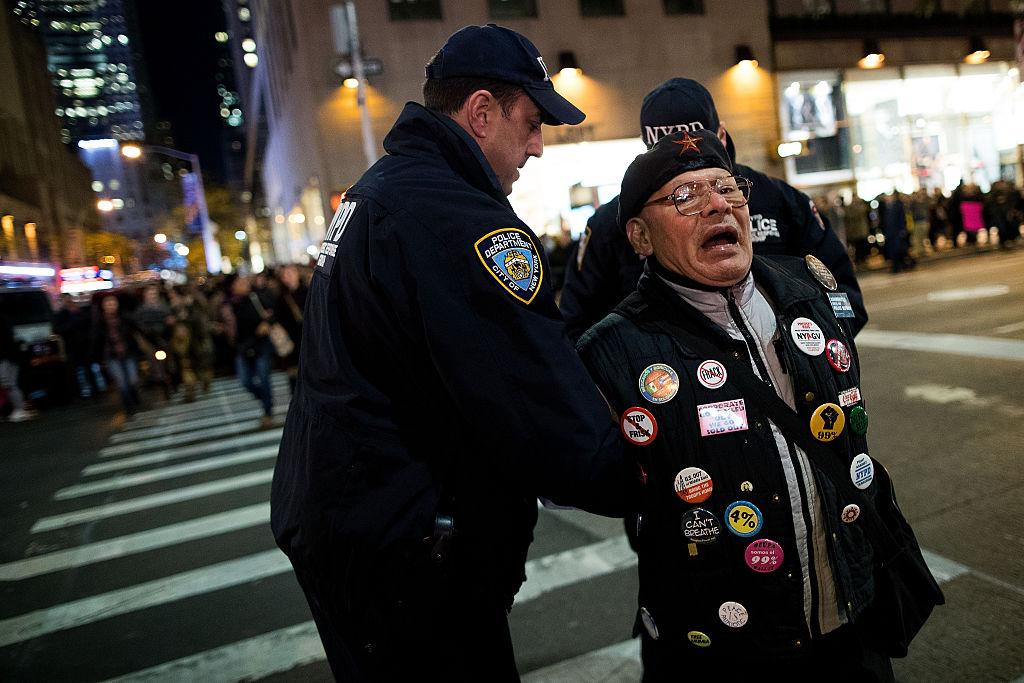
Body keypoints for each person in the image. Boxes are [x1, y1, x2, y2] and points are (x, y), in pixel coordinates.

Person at [270, 24, 638, 681]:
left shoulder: (379, 190)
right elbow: (538, 402)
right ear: (481, 112)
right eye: (531, 123)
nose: (537, 147)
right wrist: (651, 476)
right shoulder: (460, 220)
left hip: (350, 520)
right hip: (409, 548)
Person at [576, 129, 938, 680]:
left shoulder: (806, 293)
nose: (717, 204)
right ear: (640, 237)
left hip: (851, 623)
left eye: (726, 188)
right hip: (721, 647)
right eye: (685, 196)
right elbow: (590, 483)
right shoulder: (613, 351)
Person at [560, 78, 866, 341]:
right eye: (664, 148)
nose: (717, 206)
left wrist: (800, 352)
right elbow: (579, 329)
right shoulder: (616, 223)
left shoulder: (780, 200)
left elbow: (842, 297)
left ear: (720, 136)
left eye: (697, 142)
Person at [228, 275, 275, 428]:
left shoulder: (256, 298)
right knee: (245, 380)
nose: (244, 284)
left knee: (263, 377)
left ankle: (268, 411)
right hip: (242, 347)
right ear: (233, 286)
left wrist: (267, 323)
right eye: (240, 282)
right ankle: (265, 399)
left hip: (260, 344)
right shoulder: (229, 304)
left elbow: (274, 311)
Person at [90, 293, 142, 415]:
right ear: (103, 306)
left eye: (113, 303)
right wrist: (96, 358)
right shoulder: (100, 323)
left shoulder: (125, 318)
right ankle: (129, 407)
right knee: (122, 383)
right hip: (112, 356)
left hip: (128, 353)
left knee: (133, 380)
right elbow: (96, 341)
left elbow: (138, 330)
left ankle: (134, 395)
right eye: (108, 303)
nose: (111, 306)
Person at [272, 264, 307, 395]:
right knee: (295, 379)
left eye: (291, 273)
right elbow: (278, 319)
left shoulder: (308, 291)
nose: (288, 277)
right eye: (285, 275)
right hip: (291, 342)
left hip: (309, 339)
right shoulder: (281, 297)